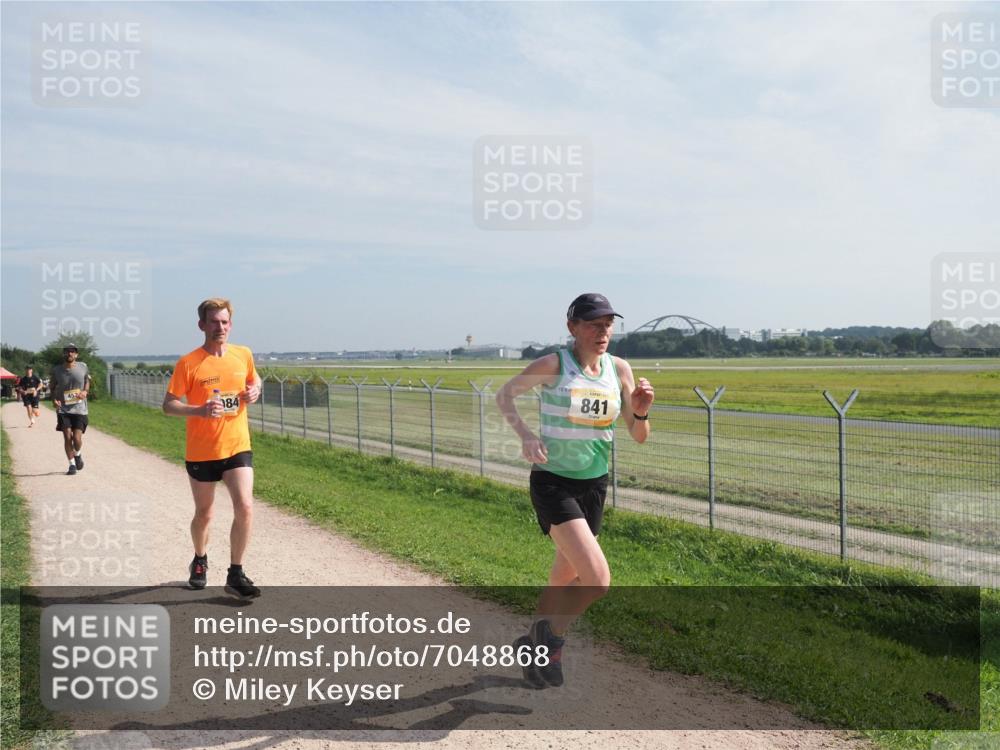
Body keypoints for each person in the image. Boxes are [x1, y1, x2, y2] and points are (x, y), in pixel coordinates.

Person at [496, 293, 654, 689]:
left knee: (562, 580)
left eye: (608, 324)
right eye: (593, 324)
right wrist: (526, 435)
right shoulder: (554, 364)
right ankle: (552, 639)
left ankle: (534, 649)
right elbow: (505, 395)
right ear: (573, 327)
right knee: (597, 580)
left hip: (594, 485)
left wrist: (640, 409)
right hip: (553, 482)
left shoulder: (619, 370)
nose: (602, 331)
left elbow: (638, 436)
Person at [163, 298, 262, 598]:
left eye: (225, 322)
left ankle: (235, 573)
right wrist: (200, 411)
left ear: (230, 324)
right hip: (202, 452)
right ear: (202, 325)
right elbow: (169, 406)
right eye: (214, 322)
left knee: (245, 506)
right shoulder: (189, 363)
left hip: (237, 446)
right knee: (204, 514)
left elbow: (253, 378)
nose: (220, 327)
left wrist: (257, 388)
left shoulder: (243, 354)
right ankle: (200, 558)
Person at [50, 345, 92, 475]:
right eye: (67, 351)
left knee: (77, 438)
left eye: (72, 352)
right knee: (67, 436)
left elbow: (87, 380)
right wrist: (54, 399)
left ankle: (77, 454)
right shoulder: (57, 370)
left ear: (76, 355)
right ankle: (72, 465)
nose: (70, 353)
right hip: (63, 409)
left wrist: (85, 391)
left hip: (80, 408)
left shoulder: (83, 367)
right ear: (64, 354)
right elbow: (52, 387)